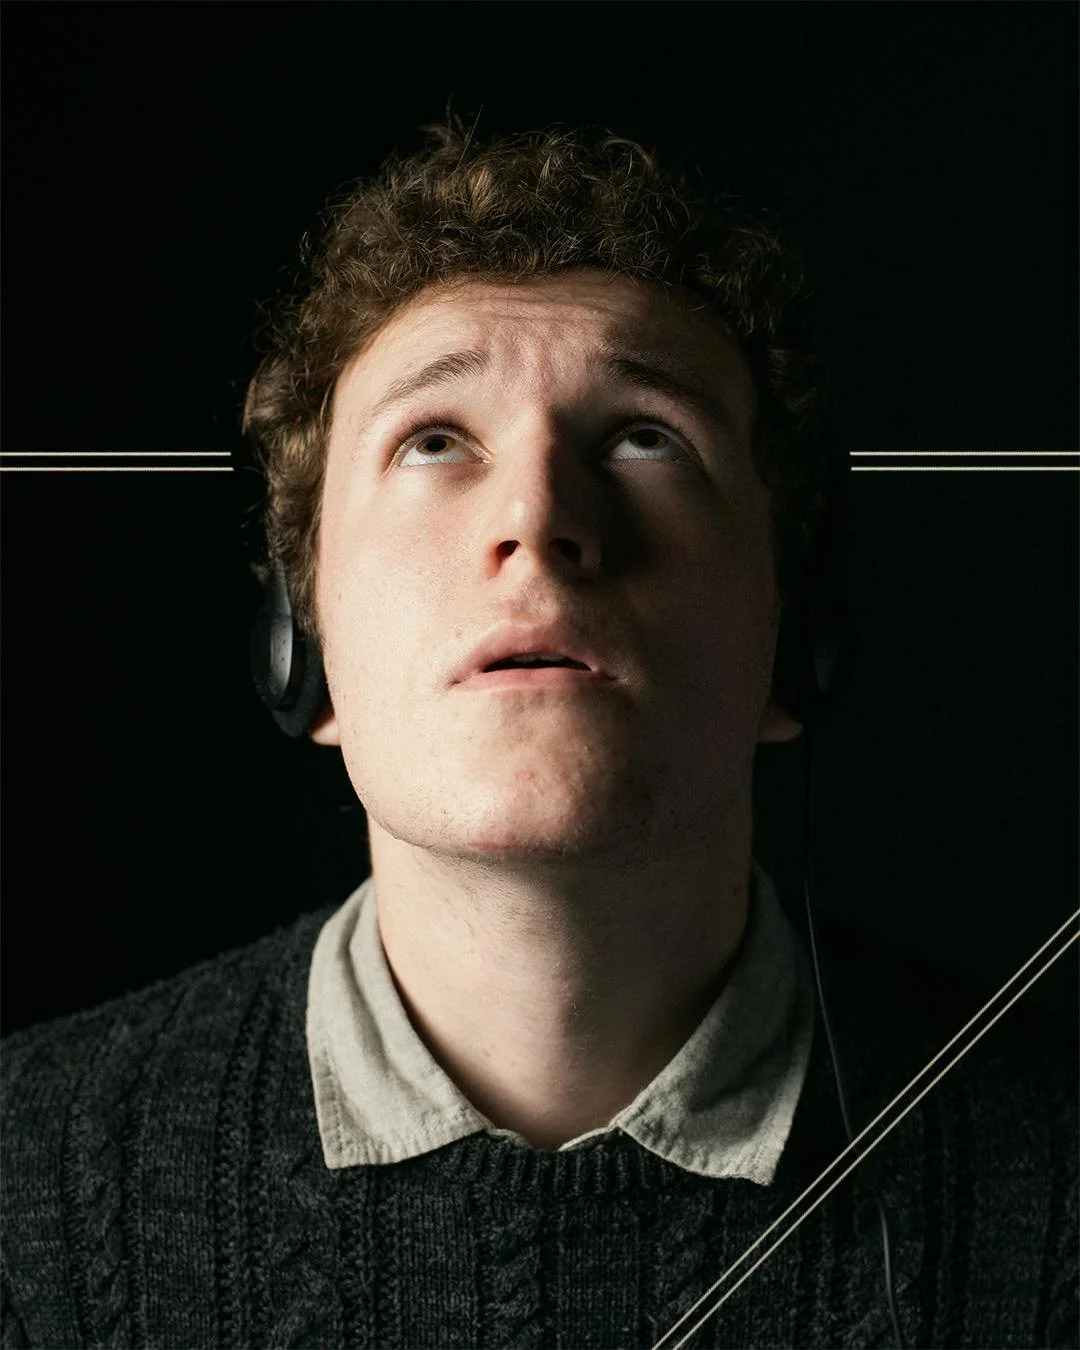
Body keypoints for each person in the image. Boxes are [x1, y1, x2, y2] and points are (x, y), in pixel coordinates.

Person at [2, 118, 1075, 1350]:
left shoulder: (1058, 1196)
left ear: (796, 643)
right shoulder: (27, 1184)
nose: (538, 516)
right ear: (303, 652)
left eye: (643, 436)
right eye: (434, 440)